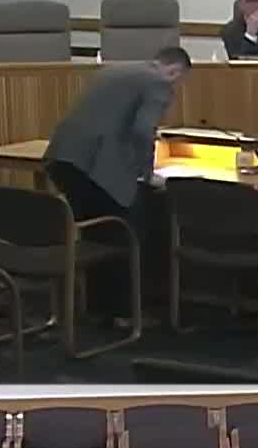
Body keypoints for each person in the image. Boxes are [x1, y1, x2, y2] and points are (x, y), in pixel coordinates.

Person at [41, 46, 191, 314]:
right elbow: (143, 130)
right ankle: (125, 312)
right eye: (179, 80)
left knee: (95, 231)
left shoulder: (113, 70)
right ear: (174, 71)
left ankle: (98, 307)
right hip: (100, 166)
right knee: (128, 232)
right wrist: (146, 172)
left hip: (63, 156)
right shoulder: (159, 83)